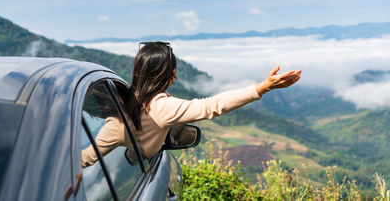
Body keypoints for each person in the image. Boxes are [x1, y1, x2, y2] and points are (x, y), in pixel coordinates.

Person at [81, 41, 301, 167]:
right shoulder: (160, 108)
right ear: (173, 75)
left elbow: (83, 160)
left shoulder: (122, 97)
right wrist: (263, 87)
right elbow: (212, 106)